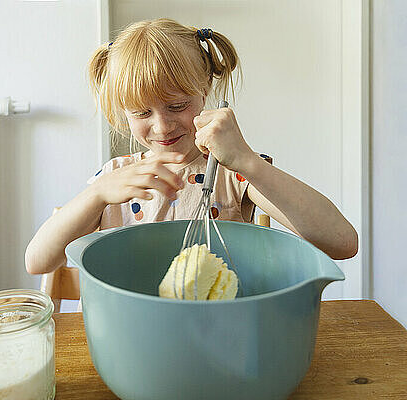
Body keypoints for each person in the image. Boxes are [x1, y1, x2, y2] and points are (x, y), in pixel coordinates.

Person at [25, 18, 358, 275]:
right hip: (132, 334)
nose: (162, 126)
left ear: (204, 87)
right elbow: (37, 262)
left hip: (214, 332)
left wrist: (247, 160)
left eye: (177, 105)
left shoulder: (233, 173)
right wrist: (96, 193)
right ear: (123, 113)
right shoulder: (115, 178)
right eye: (142, 112)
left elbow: (342, 242)